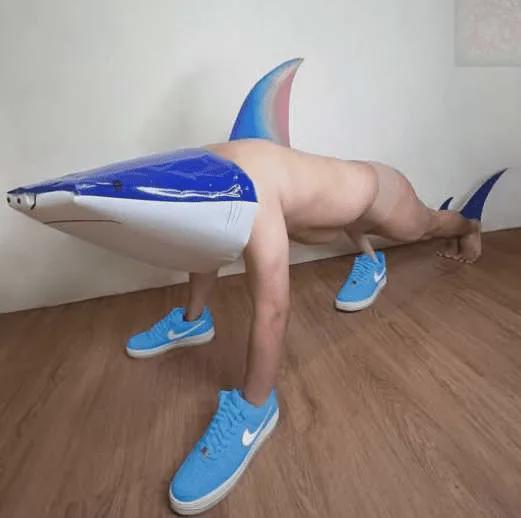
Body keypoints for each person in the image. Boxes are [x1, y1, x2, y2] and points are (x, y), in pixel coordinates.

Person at [126, 138, 481, 514]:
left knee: (423, 227)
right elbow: (207, 243)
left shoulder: (252, 190)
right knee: (223, 235)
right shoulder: (202, 168)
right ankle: (192, 322)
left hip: (381, 191)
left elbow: (274, 311)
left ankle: (469, 225)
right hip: (347, 193)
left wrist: (254, 400)